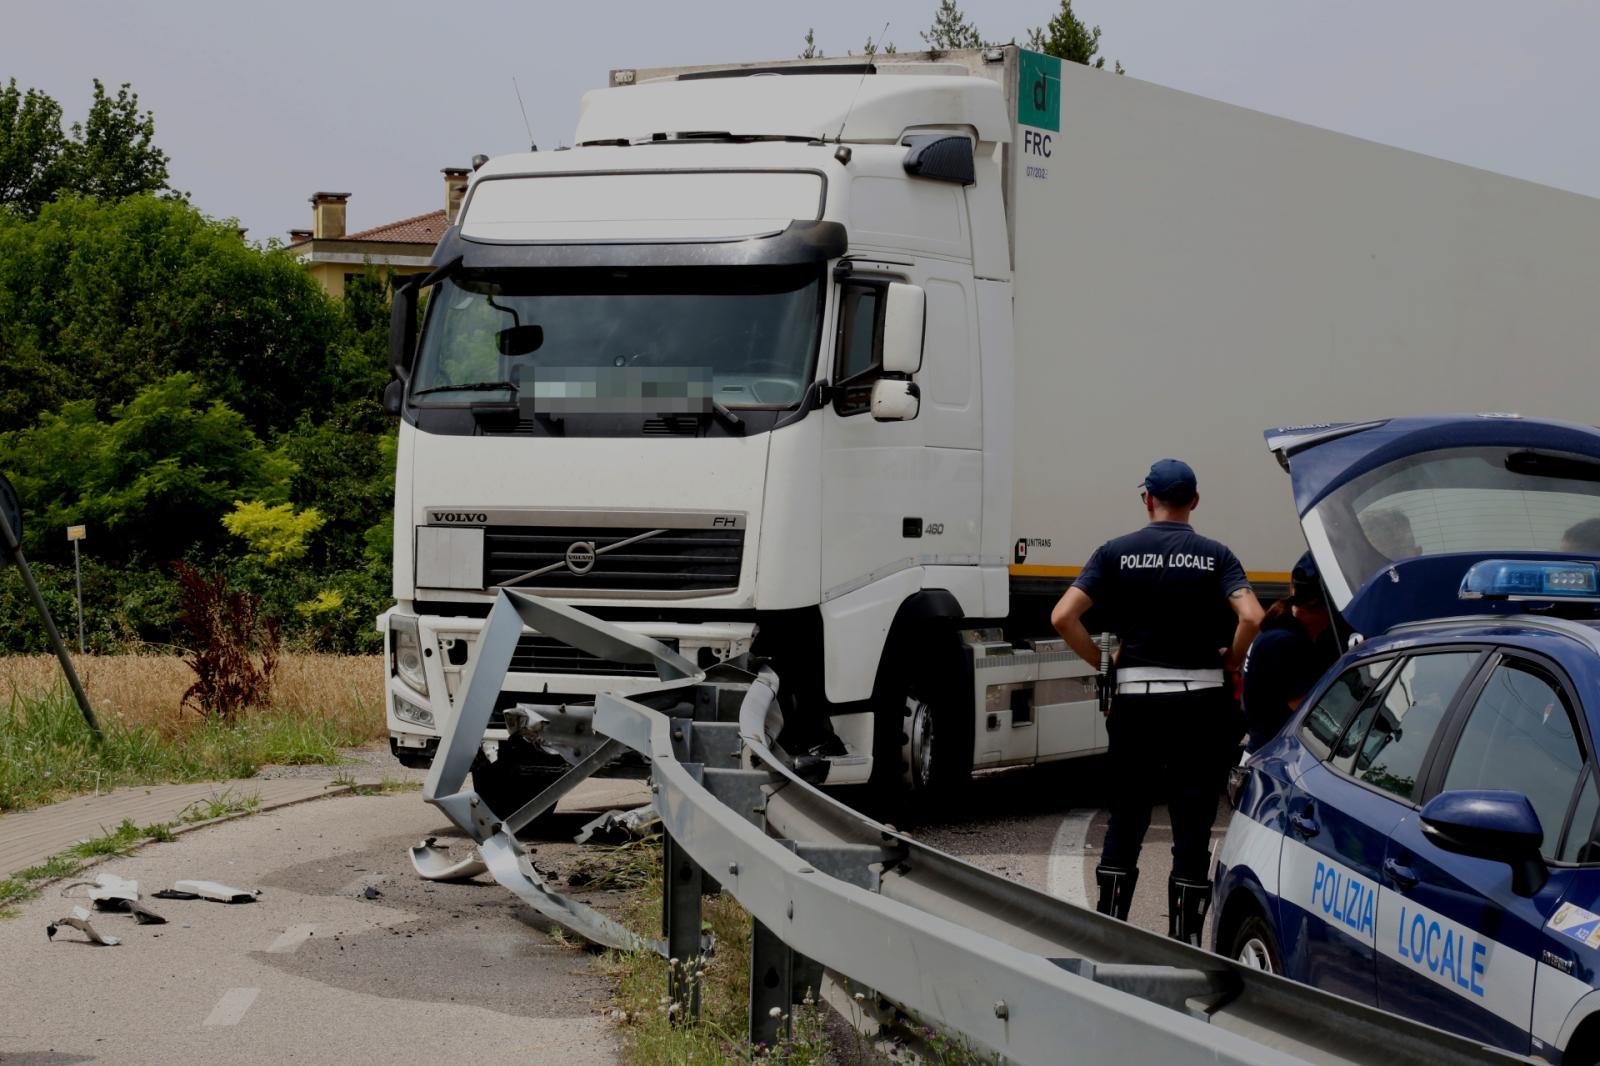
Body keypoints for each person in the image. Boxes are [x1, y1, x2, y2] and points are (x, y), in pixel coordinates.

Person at [1051, 458, 1263, 944]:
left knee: (1126, 819)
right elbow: (1251, 616)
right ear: (1195, 501)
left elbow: (1063, 617)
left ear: (1147, 499)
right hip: (1200, 704)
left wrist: (1105, 664)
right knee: (1192, 825)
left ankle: (1109, 935)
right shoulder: (1216, 555)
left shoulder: (1115, 552)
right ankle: (1184, 943)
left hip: (1136, 703)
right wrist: (1232, 659)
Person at [1240, 551, 1339, 754]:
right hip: (1275, 755)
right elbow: (1309, 713)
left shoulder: (1278, 633)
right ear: (1318, 605)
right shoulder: (1284, 644)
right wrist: (1349, 741)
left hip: (1270, 751)